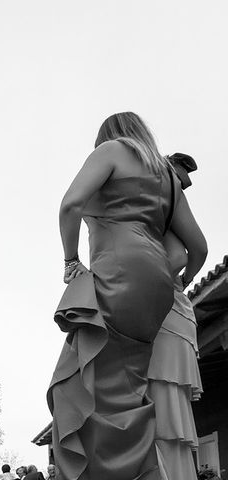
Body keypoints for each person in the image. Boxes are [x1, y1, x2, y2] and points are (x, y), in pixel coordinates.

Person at [48, 112, 207, 480]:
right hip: (156, 290)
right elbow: (197, 249)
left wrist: (71, 262)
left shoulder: (111, 151)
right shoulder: (167, 177)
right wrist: (179, 280)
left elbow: (70, 205)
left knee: (82, 388)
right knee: (128, 393)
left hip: (116, 272)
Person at [147, 152, 203, 480]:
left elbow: (182, 255)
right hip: (170, 311)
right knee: (167, 407)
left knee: (162, 406)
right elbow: (192, 253)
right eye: (182, 180)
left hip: (164, 306)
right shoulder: (163, 193)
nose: (183, 189)